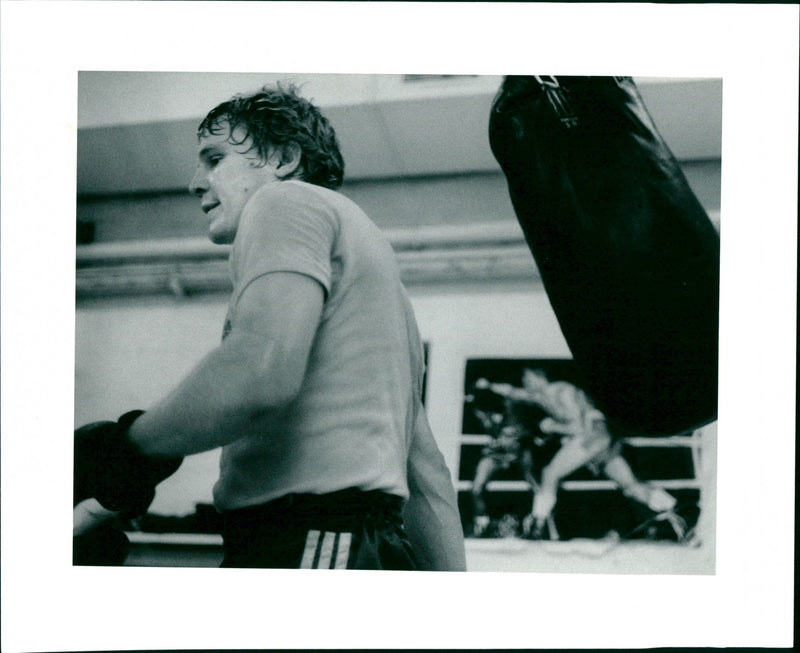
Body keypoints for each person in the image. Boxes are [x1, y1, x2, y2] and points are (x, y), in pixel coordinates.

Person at [73, 83, 466, 571]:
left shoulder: (283, 202)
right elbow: (426, 476)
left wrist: (126, 448)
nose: (195, 182)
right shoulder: (380, 283)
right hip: (359, 541)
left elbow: (260, 371)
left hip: (311, 536)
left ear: (281, 158)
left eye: (214, 159)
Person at [475, 369, 681, 541]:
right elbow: (514, 392)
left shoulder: (562, 391)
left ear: (540, 377)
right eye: (524, 381)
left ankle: (538, 524)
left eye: (528, 378)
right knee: (630, 486)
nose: (525, 383)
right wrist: (489, 385)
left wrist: (552, 426)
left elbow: (578, 427)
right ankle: (677, 508)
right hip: (601, 441)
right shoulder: (540, 396)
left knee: (550, 473)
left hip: (591, 437)